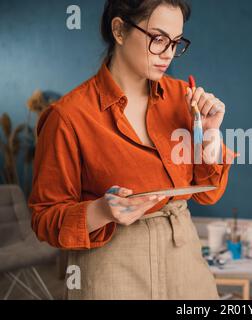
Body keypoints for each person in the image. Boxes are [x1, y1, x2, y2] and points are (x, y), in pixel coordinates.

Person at [28, 0, 236, 300]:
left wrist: (210, 137)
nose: (168, 54)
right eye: (158, 39)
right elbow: (45, 219)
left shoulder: (182, 98)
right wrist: (101, 210)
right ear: (119, 30)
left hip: (185, 261)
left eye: (176, 42)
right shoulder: (67, 117)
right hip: (111, 267)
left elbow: (208, 193)